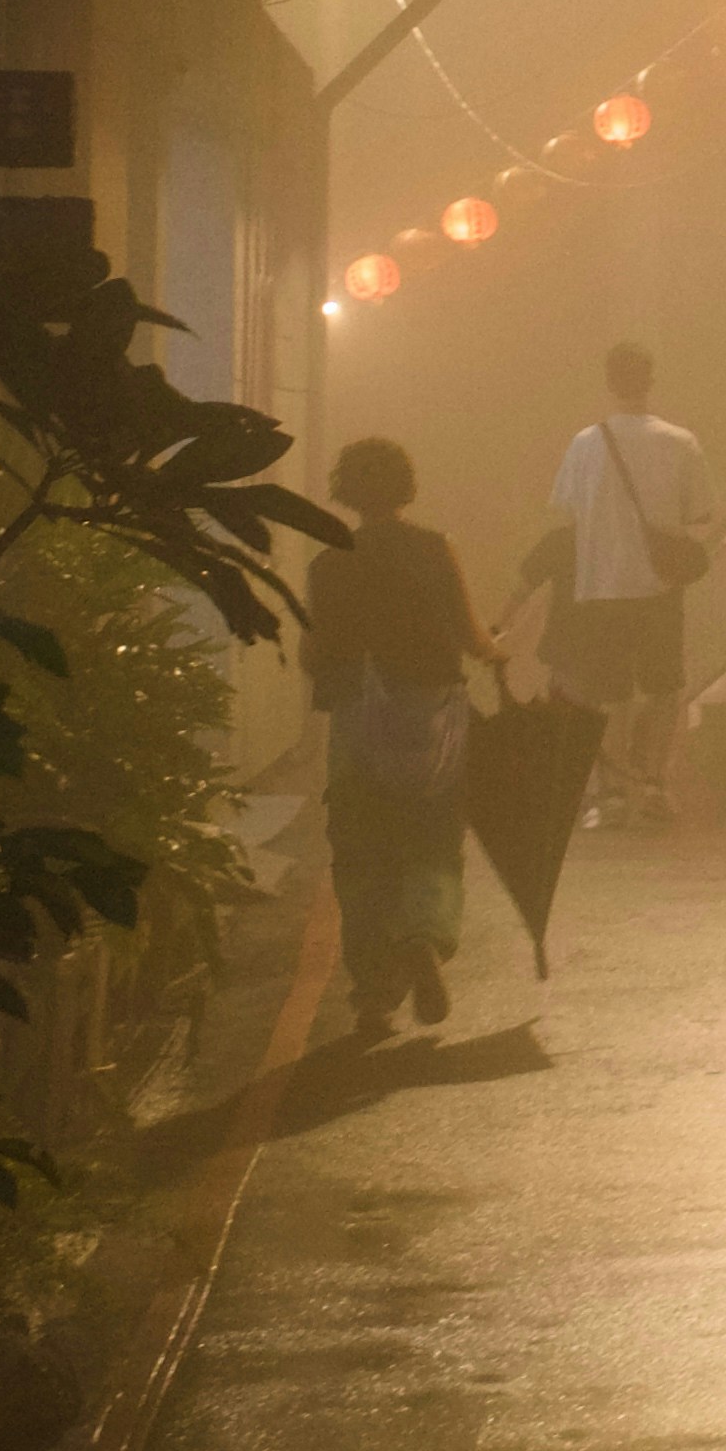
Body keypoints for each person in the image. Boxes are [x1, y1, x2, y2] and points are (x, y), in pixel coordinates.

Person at [304, 438, 493, 1040]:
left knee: (361, 855)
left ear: (347, 491)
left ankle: (374, 993)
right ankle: (422, 936)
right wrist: (497, 650)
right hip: (432, 718)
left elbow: (315, 651)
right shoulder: (434, 549)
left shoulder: (328, 562)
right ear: (406, 487)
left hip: (358, 720)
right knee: (434, 843)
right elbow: (470, 634)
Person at [527, 342, 712, 831]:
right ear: (651, 380)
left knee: (604, 696)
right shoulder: (681, 442)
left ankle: (607, 795)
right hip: (660, 589)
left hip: (599, 587)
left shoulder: (585, 444)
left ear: (610, 382)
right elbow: (700, 515)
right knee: (664, 690)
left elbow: (566, 513)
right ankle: (653, 785)